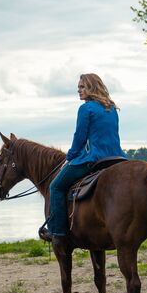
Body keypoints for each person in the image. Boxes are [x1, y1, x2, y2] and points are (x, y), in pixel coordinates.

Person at [39, 73, 126, 241]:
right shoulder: (112, 108)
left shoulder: (86, 108)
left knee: (55, 186)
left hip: (95, 158)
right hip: (117, 158)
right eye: (78, 87)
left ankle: (58, 232)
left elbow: (80, 137)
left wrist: (70, 156)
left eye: (82, 87)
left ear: (92, 87)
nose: (79, 90)